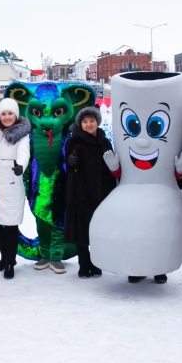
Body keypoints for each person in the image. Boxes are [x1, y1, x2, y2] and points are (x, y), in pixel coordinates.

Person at [64, 105, 118, 278]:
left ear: (97, 122)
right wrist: (71, 161)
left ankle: (96, 264)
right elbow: (69, 163)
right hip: (81, 193)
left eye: (92, 121)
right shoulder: (75, 140)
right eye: (85, 121)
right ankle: (83, 265)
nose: (89, 124)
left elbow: (110, 165)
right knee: (82, 231)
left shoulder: (104, 141)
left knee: (97, 231)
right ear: (81, 124)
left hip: (102, 193)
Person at [0, 98, 31, 279]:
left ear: (16, 115)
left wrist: (20, 165)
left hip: (12, 185)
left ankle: (10, 263)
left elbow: (24, 153)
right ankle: (5, 256)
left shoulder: (22, 135)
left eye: (10, 113)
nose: (6, 117)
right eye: (3, 113)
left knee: (11, 227)